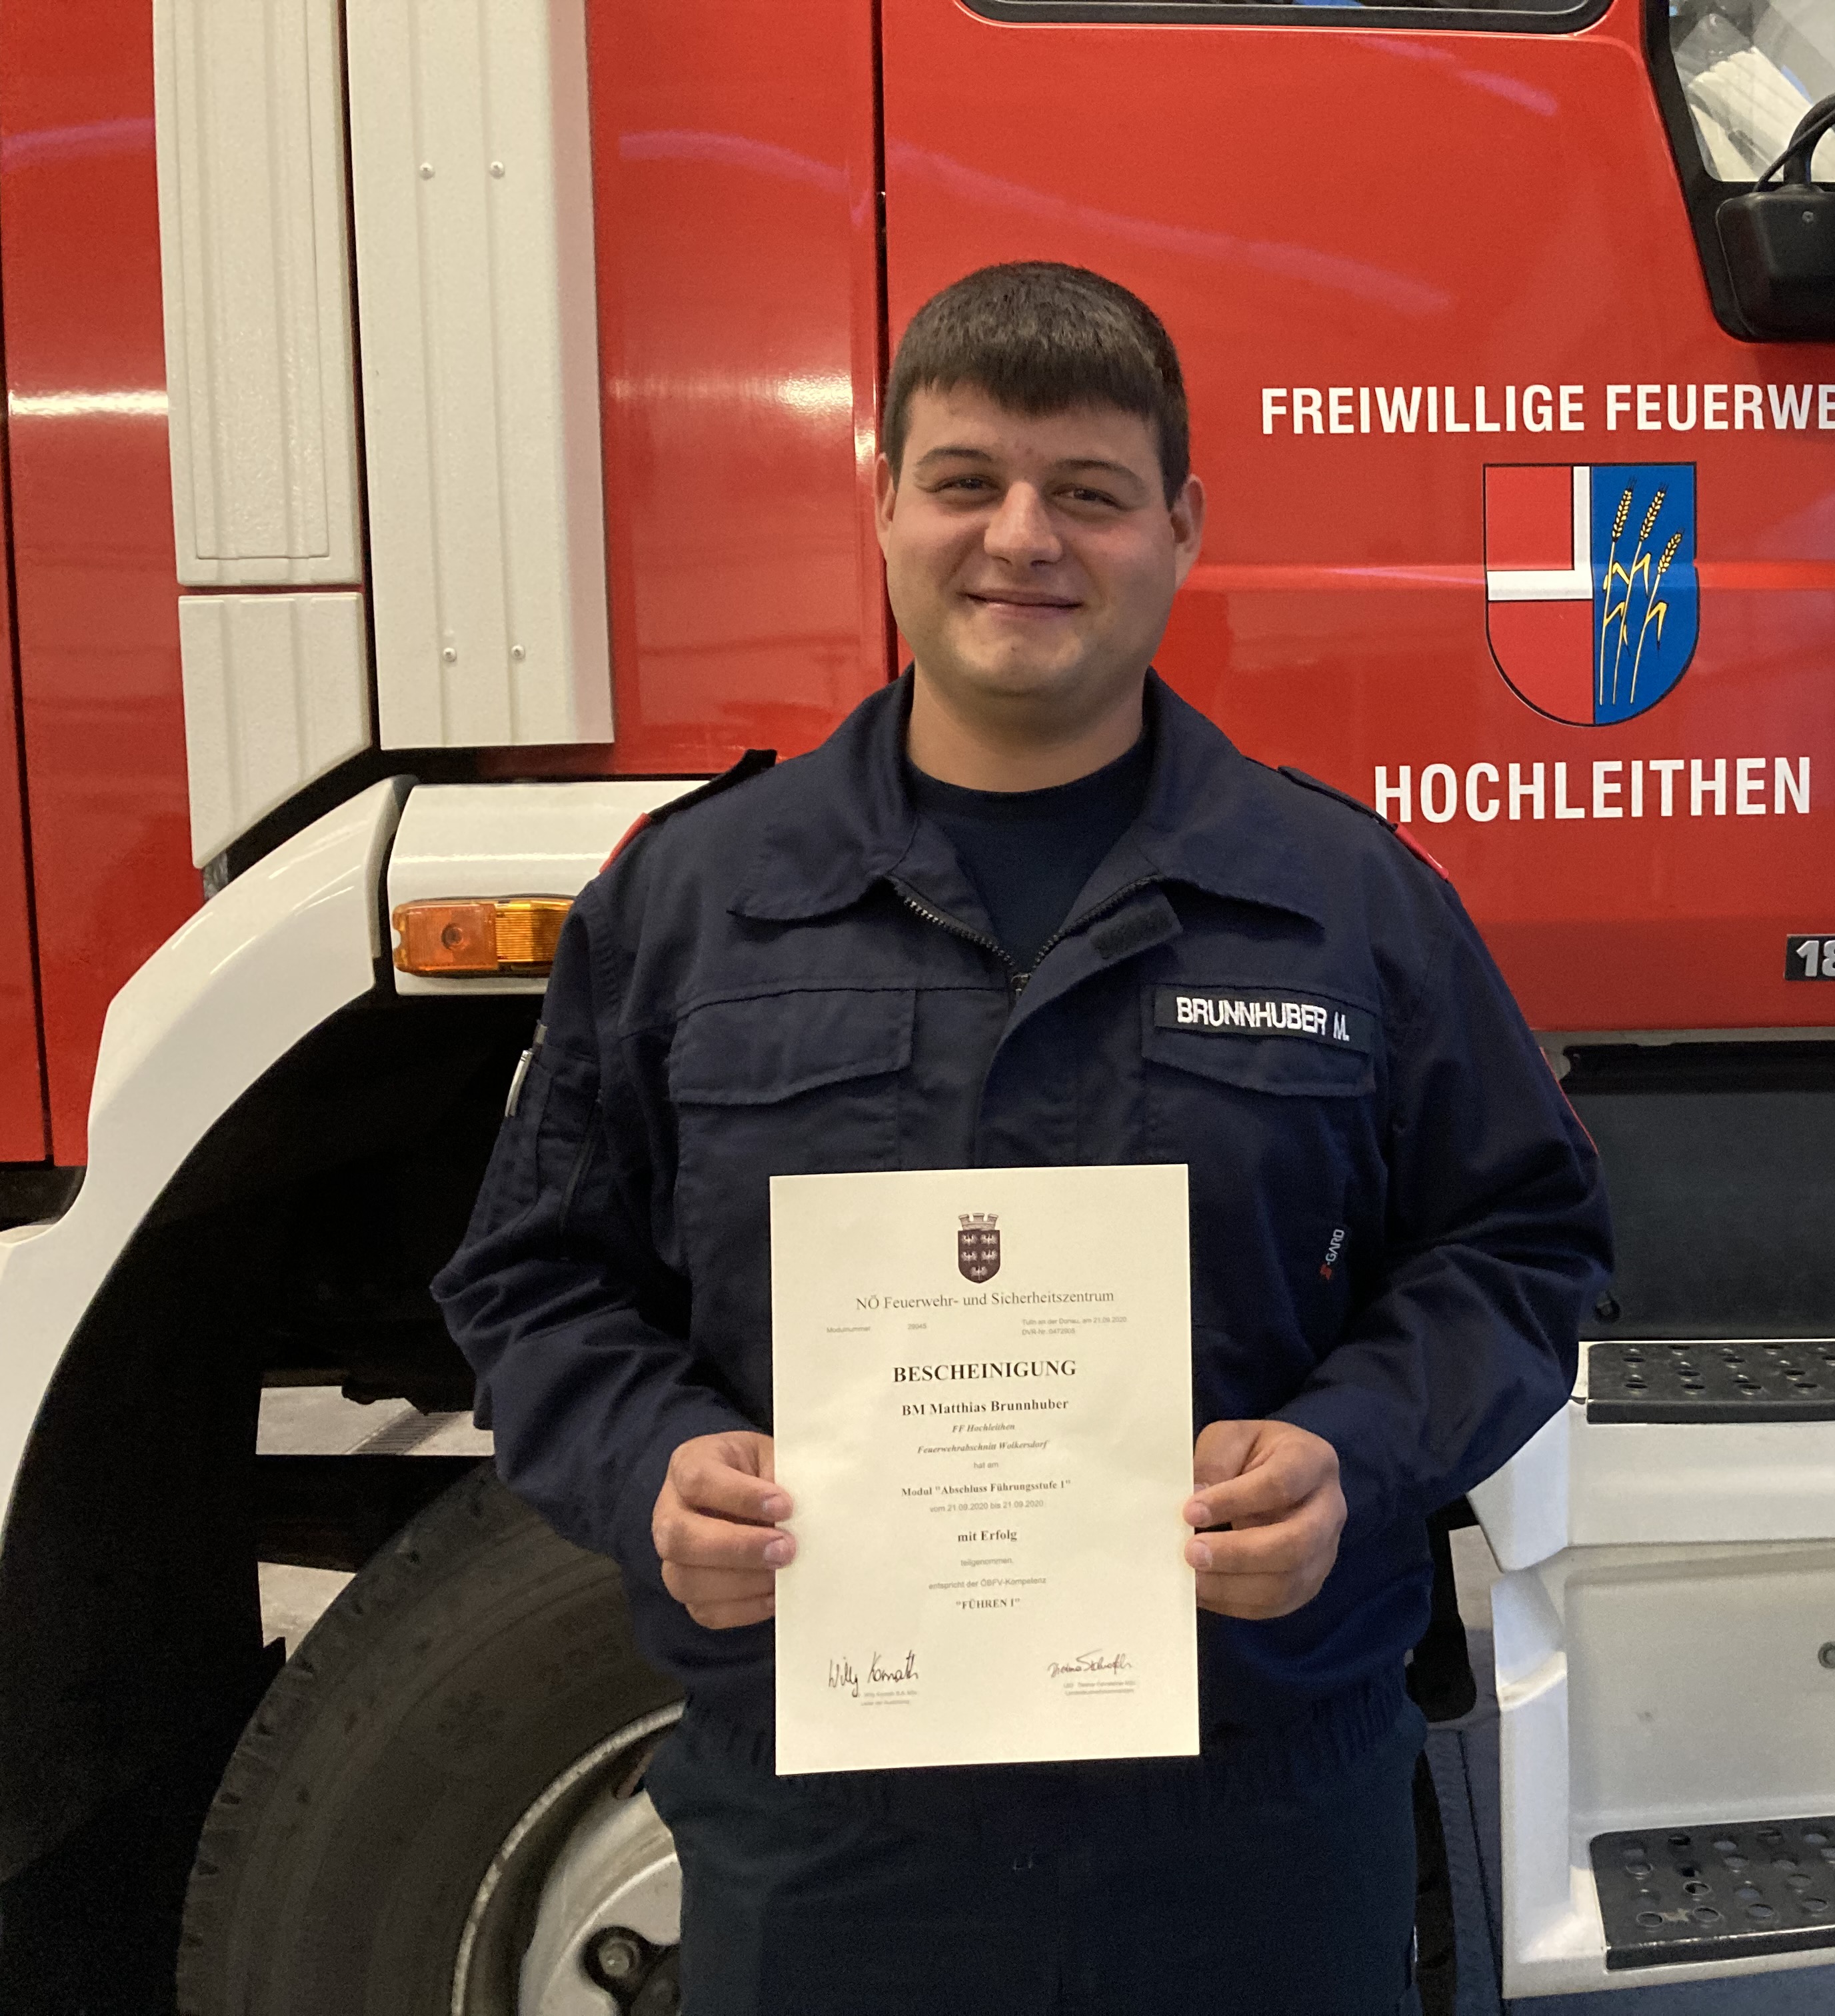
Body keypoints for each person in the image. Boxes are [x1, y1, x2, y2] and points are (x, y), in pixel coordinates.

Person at [435, 261, 1610, 2016]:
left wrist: (1351, 1455)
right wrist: (653, 1468)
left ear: (1182, 527)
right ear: (884, 507)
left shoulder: (1347, 900)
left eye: (1089, 492)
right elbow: (535, 1283)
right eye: (968, 481)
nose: (1023, 539)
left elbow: (1524, 1243)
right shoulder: (692, 902)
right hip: (835, 1829)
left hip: (1260, 1820)